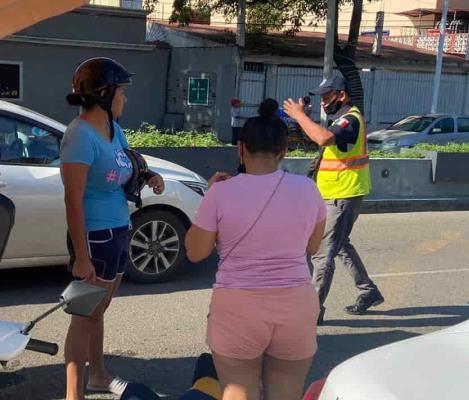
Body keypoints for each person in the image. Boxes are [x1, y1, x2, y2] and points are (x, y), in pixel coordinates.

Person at [185, 108, 327, 400]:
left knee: (239, 390)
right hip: (296, 305)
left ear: (241, 148)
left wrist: (208, 198)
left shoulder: (220, 192)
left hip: (238, 308)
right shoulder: (308, 189)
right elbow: (312, 248)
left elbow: (195, 252)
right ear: (283, 152)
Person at [60, 57, 165, 400]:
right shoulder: (79, 136)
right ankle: (74, 393)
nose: (125, 99)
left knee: (98, 310)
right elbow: (72, 200)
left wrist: (149, 175)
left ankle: (98, 375)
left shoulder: (113, 129)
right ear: (104, 94)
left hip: (119, 228)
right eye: (121, 92)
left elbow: (125, 163)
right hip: (95, 237)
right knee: (83, 316)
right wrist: (81, 257)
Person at [283, 70, 385, 324]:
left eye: (327, 96)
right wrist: (305, 118)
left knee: (322, 253)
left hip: (344, 194)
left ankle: (312, 310)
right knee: (340, 246)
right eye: (321, 97)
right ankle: (368, 291)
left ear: (342, 95)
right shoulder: (339, 118)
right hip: (332, 193)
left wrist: (298, 115)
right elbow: (322, 141)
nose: (323, 101)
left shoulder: (350, 119)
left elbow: (324, 138)